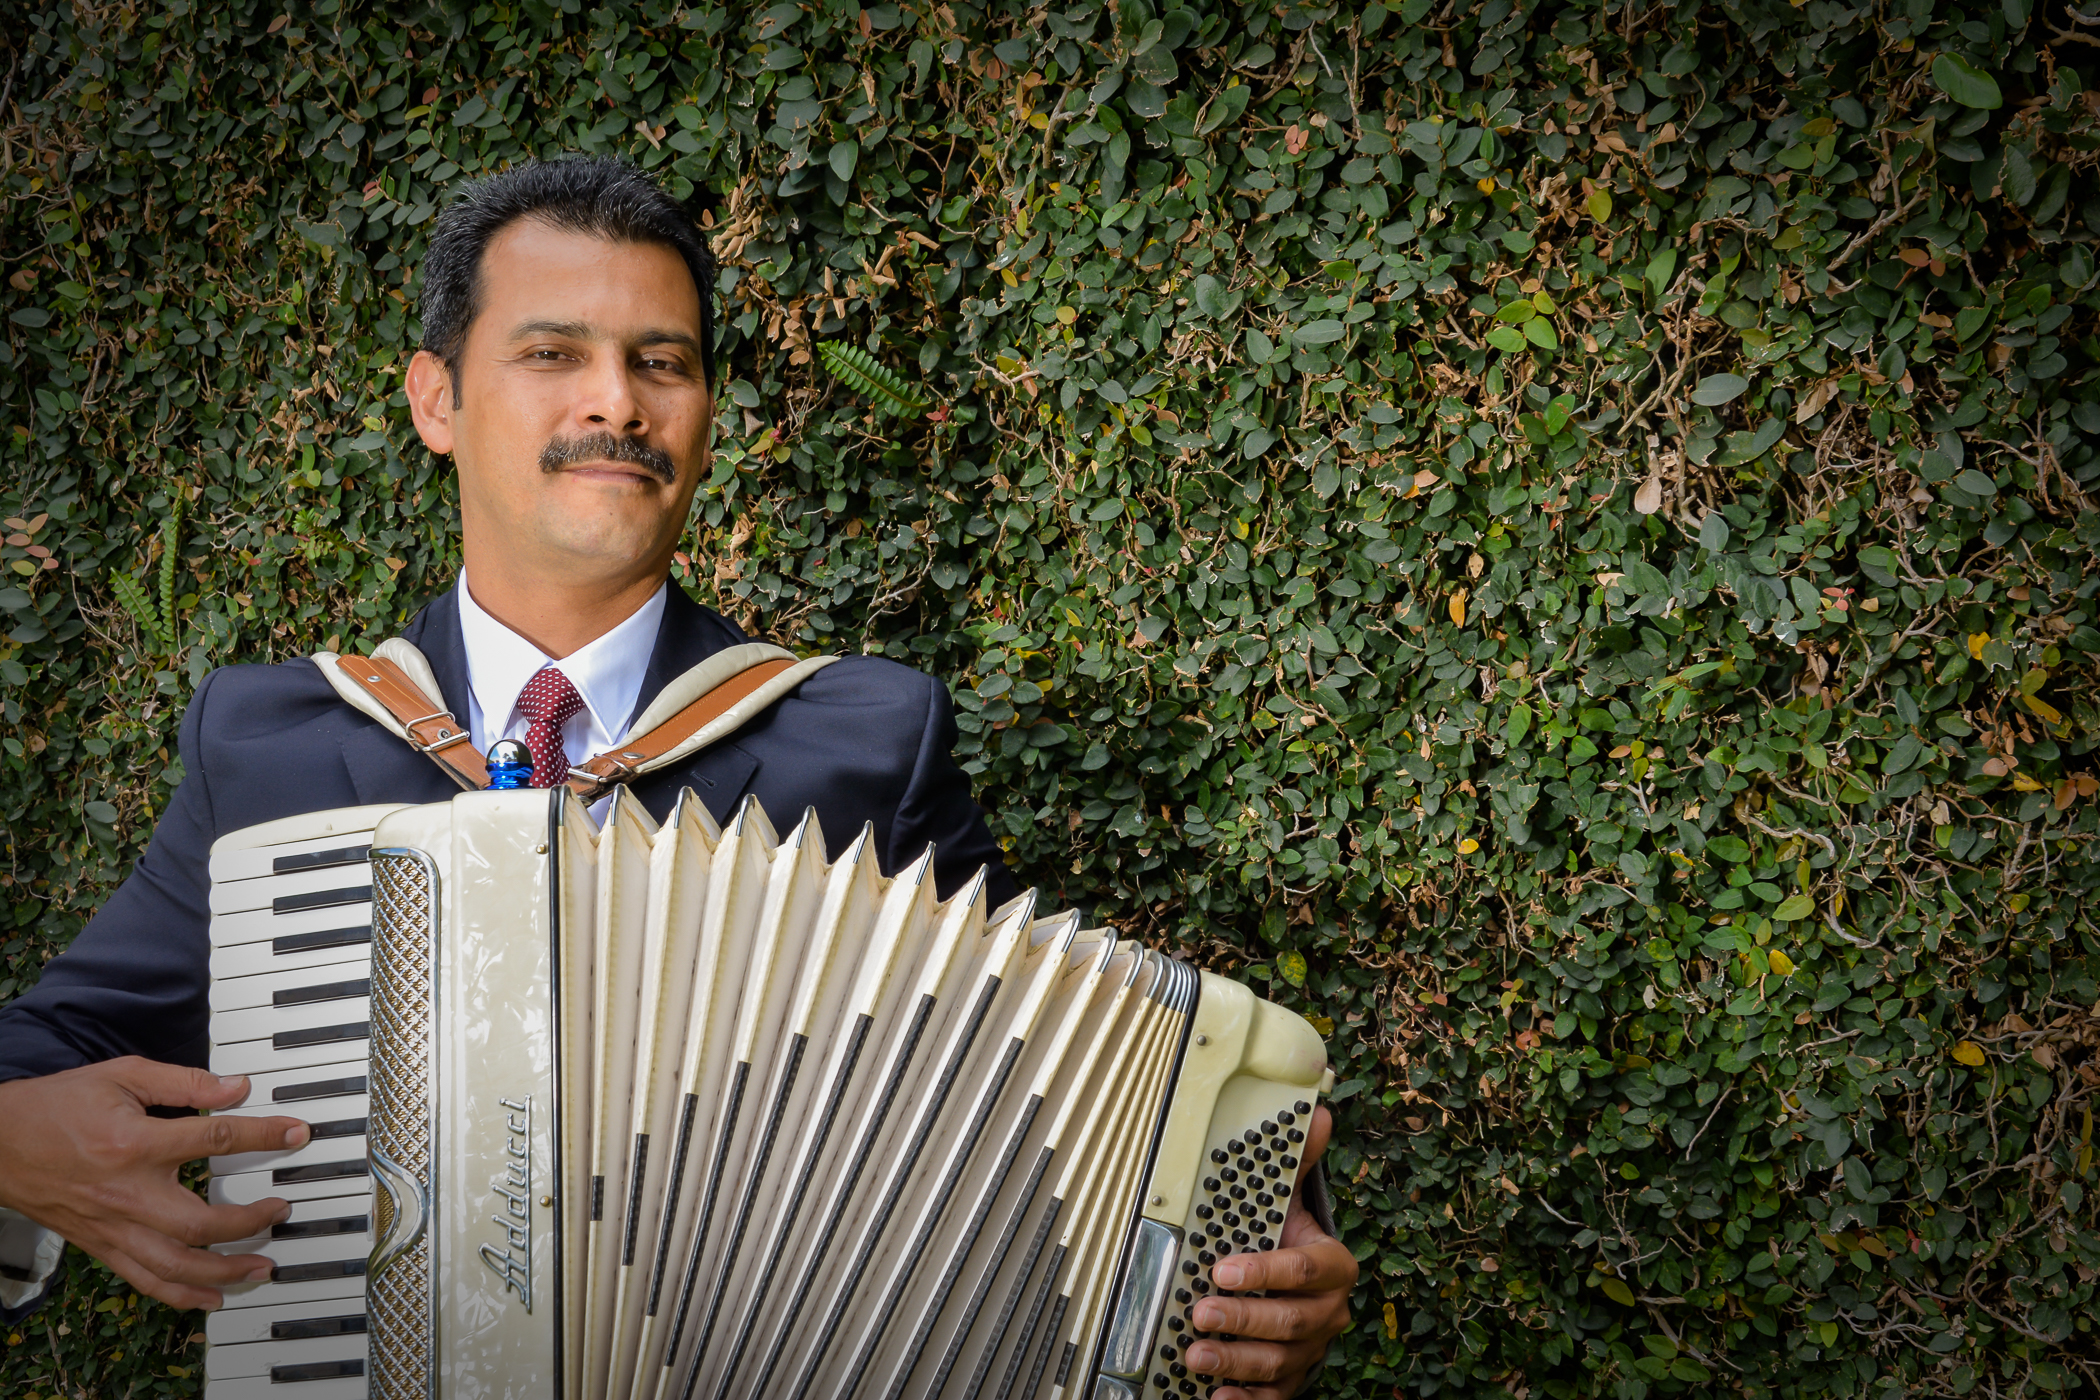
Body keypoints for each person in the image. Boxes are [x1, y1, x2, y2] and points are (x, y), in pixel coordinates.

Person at [0, 157, 1354, 1395]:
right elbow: (47, 1051)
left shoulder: (863, 741)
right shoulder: (273, 742)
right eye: (552, 353)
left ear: (702, 416)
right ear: (437, 401)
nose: (616, 401)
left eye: (664, 362)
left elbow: (1065, 1111)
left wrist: (1245, 1280)